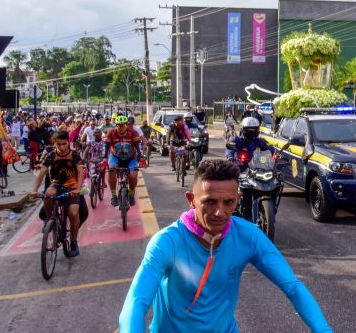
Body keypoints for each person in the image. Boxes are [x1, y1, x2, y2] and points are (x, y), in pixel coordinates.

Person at [118, 159, 331, 333]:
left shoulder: (248, 236)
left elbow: (292, 286)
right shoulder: (167, 243)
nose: (220, 212)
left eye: (228, 202)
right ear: (191, 199)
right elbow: (136, 304)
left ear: (238, 199)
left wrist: (323, 330)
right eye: (210, 202)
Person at [28, 130, 85, 257]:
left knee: (74, 212)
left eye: (64, 144)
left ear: (68, 143)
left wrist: (78, 189)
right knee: (48, 193)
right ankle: (49, 220)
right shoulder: (50, 155)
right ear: (54, 143)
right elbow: (41, 173)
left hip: (72, 187)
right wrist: (35, 190)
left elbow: (80, 172)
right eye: (58, 144)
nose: (61, 147)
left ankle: (74, 242)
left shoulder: (75, 155)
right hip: (56, 185)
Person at [104, 115, 142, 207]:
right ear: (116, 125)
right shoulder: (111, 133)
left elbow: (137, 147)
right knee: (111, 169)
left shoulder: (133, 133)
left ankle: (131, 194)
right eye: (119, 125)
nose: (121, 127)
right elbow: (106, 146)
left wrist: (141, 157)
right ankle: (113, 195)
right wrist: (105, 157)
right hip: (115, 157)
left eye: (123, 125)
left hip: (130, 158)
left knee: (133, 175)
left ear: (126, 125)